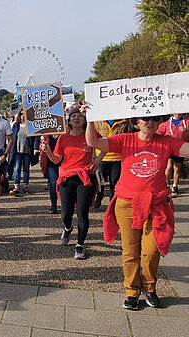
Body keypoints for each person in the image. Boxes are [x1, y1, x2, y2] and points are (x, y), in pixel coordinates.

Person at [87, 114, 189, 310]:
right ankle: (131, 292)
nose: (149, 123)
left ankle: (150, 288)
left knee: (151, 251)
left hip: (156, 205)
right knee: (130, 251)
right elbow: (92, 141)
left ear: (160, 122)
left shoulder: (166, 142)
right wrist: (91, 118)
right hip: (127, 203)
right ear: (136, 122)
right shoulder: (125, 139)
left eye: (155, 119)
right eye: (145, 119)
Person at [40, 108, 104, 260]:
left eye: (80, 116)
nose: (77, 118)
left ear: (84, 120)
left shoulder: (90, 134)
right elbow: (56, 160)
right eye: (73, 116)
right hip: (67, 177)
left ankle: (80, 245)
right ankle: (68, 228)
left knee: (82, 213)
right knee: (66, 214)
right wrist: (48, 150)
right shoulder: (63, 138)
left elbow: (106, 146)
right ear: (68, 121)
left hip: (85, 177)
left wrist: (99, 158)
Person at [93, 119, 133, 208]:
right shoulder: (97, 121)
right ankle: (99, 196)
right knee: (100, 182)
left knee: (114, 183)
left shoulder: (124, 122)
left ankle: (113, 203)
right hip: (101, 157)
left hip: (117, 158)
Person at [157, 113, 188, 196]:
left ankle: (175, 185)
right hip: (169, 148)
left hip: (181, 148)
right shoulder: (166, 124)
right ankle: (167, 185)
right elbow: (158, 134)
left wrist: (187, 131)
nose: (178, 113)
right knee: (168, 167)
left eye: (179, 112)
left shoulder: (187, 122)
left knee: (177, 168)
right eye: (176, 111)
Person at [9, 110, 39, 195]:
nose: (22, 116)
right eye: (21, 115)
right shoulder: (16, 125)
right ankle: (16, 187)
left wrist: (35, 148)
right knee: (17, 168)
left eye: (24, 115)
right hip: (18, 151)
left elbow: (36, 137)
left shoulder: (31, 126)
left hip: (27, 151)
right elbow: (12, 137)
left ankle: (25, 186)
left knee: (26, 169)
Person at [39, 134, 60, 214]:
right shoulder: (46, 136)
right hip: (51, 164)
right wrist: (42, 147)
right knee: (53, 184)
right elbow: (41, 147)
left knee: (65, 185)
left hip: (64, 163)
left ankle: (67, 205)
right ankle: (53, 206)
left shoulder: (64, 133)